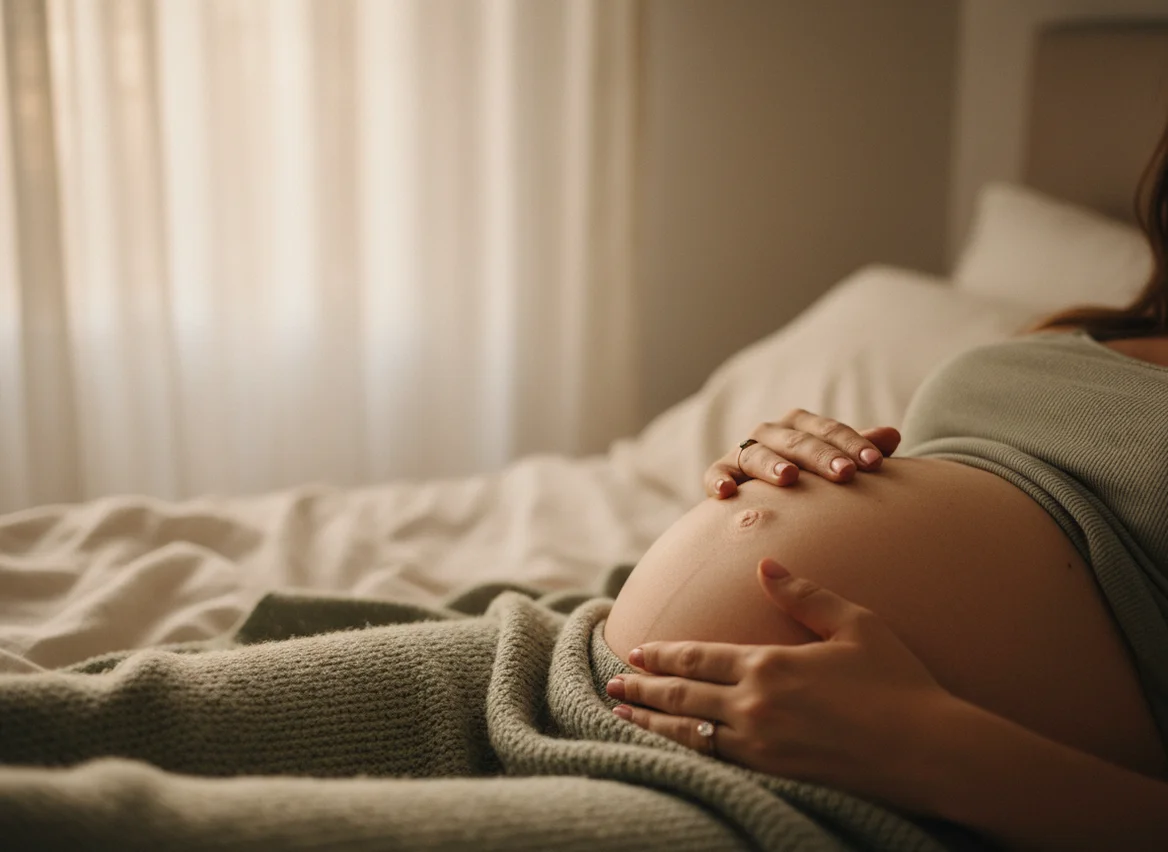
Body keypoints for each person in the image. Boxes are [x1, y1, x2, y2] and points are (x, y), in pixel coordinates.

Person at [600, 116, 1168, 850]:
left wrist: (933, 750)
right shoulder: (1083, 334)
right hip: (594, 673)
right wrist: (763, 475)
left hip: (831, 795)